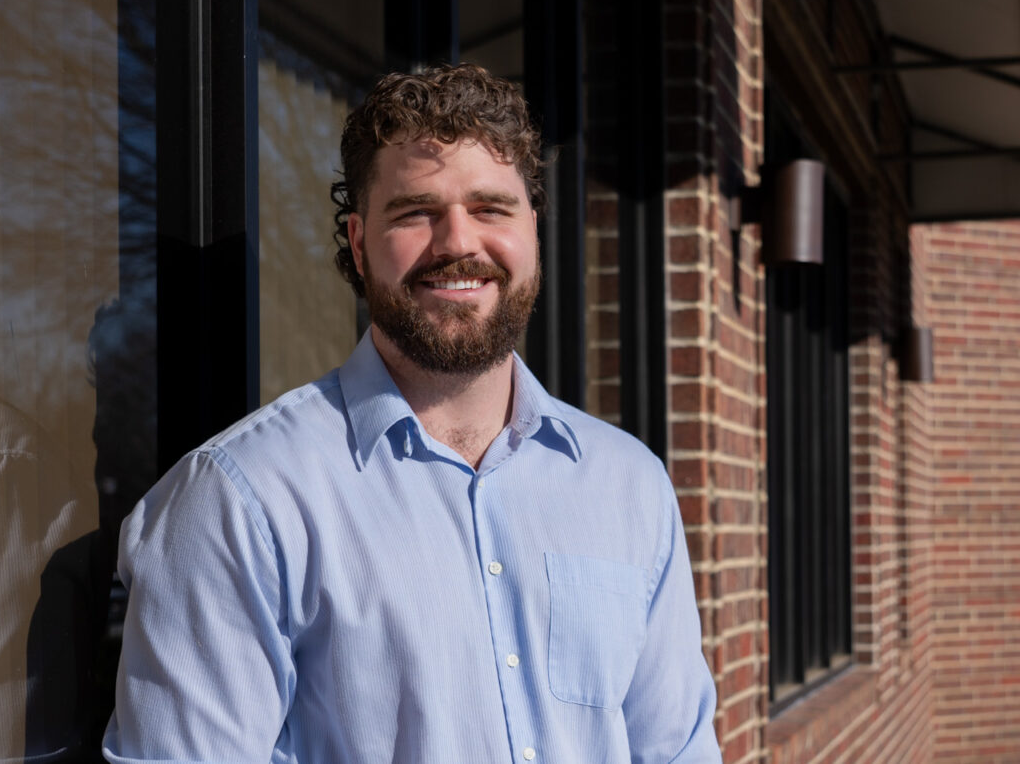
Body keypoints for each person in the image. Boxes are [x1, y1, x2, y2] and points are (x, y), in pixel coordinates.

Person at [102, 64, 721, 764]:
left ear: (533, 233)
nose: (458, 242)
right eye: (416, 212)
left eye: (491, 208)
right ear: (360, 243)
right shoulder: (239, 500)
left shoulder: (628, 485)